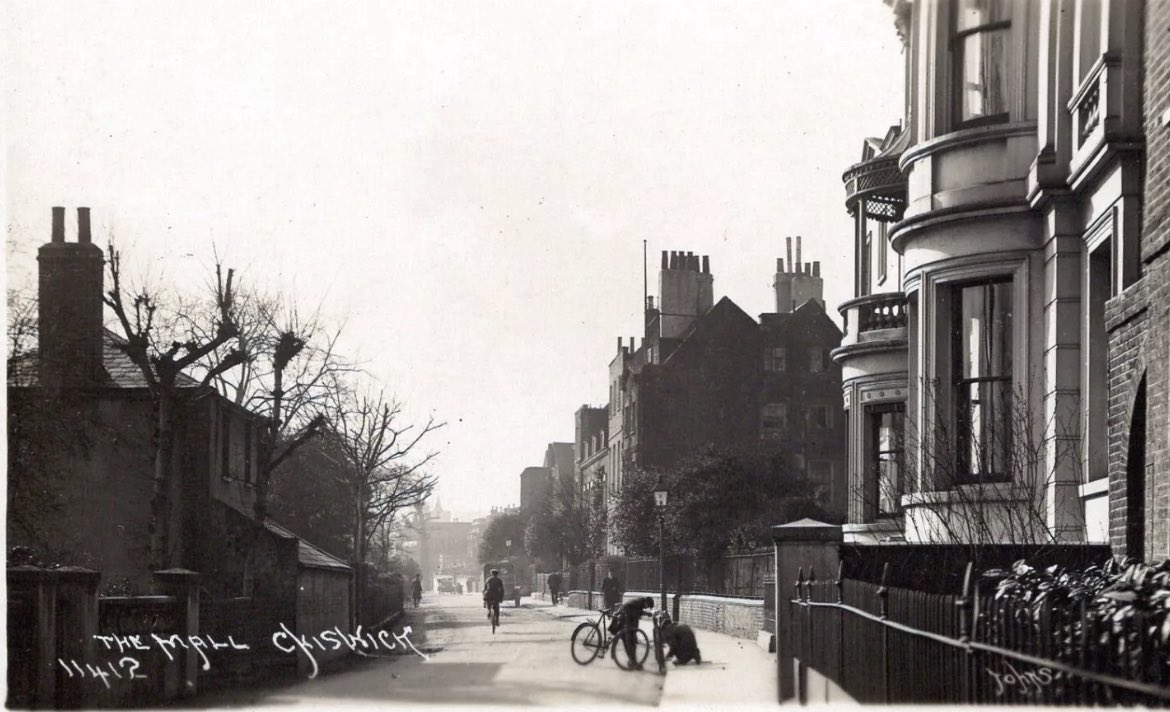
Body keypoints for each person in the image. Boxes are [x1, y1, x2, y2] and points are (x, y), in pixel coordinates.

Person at [613, 596, 654, 670]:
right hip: (625, 618)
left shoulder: (640, 603)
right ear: (646, 602)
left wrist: (647, 614)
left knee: (631, 642)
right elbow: (632, 614)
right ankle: (632, 661)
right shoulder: (639, 603)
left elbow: (637, 614)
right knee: (629, 641)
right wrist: (631, 628)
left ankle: (633, 662)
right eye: (648, 606)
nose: (646, 607)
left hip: (626, 618)